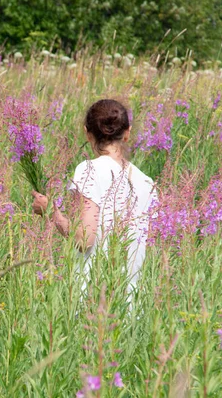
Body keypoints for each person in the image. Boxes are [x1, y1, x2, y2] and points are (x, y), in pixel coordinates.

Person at [32, 99, 157, 299]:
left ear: (87, 133)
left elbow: (84, 240)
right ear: (127, 133)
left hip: (93, 297)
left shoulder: (89, 170)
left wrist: (51, 212)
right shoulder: (147, 182)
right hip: (131, 303)